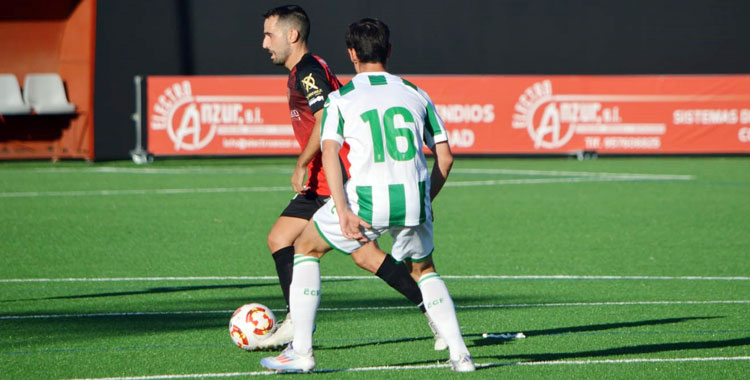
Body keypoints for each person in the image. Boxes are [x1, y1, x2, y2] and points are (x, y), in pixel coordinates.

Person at [260, 18, 475, 373]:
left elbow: (330, 152)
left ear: (351, 54)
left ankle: (301, 349)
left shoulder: (342, 97)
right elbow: (446, 157)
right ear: (389, 51)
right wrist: (426, 201)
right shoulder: (415, 91)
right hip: (413, 196)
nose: (264, 41)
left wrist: (341, 209)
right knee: (424, 269)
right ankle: (460, 355)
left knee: (305, 247)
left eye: (268, 34)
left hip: (365, 196)